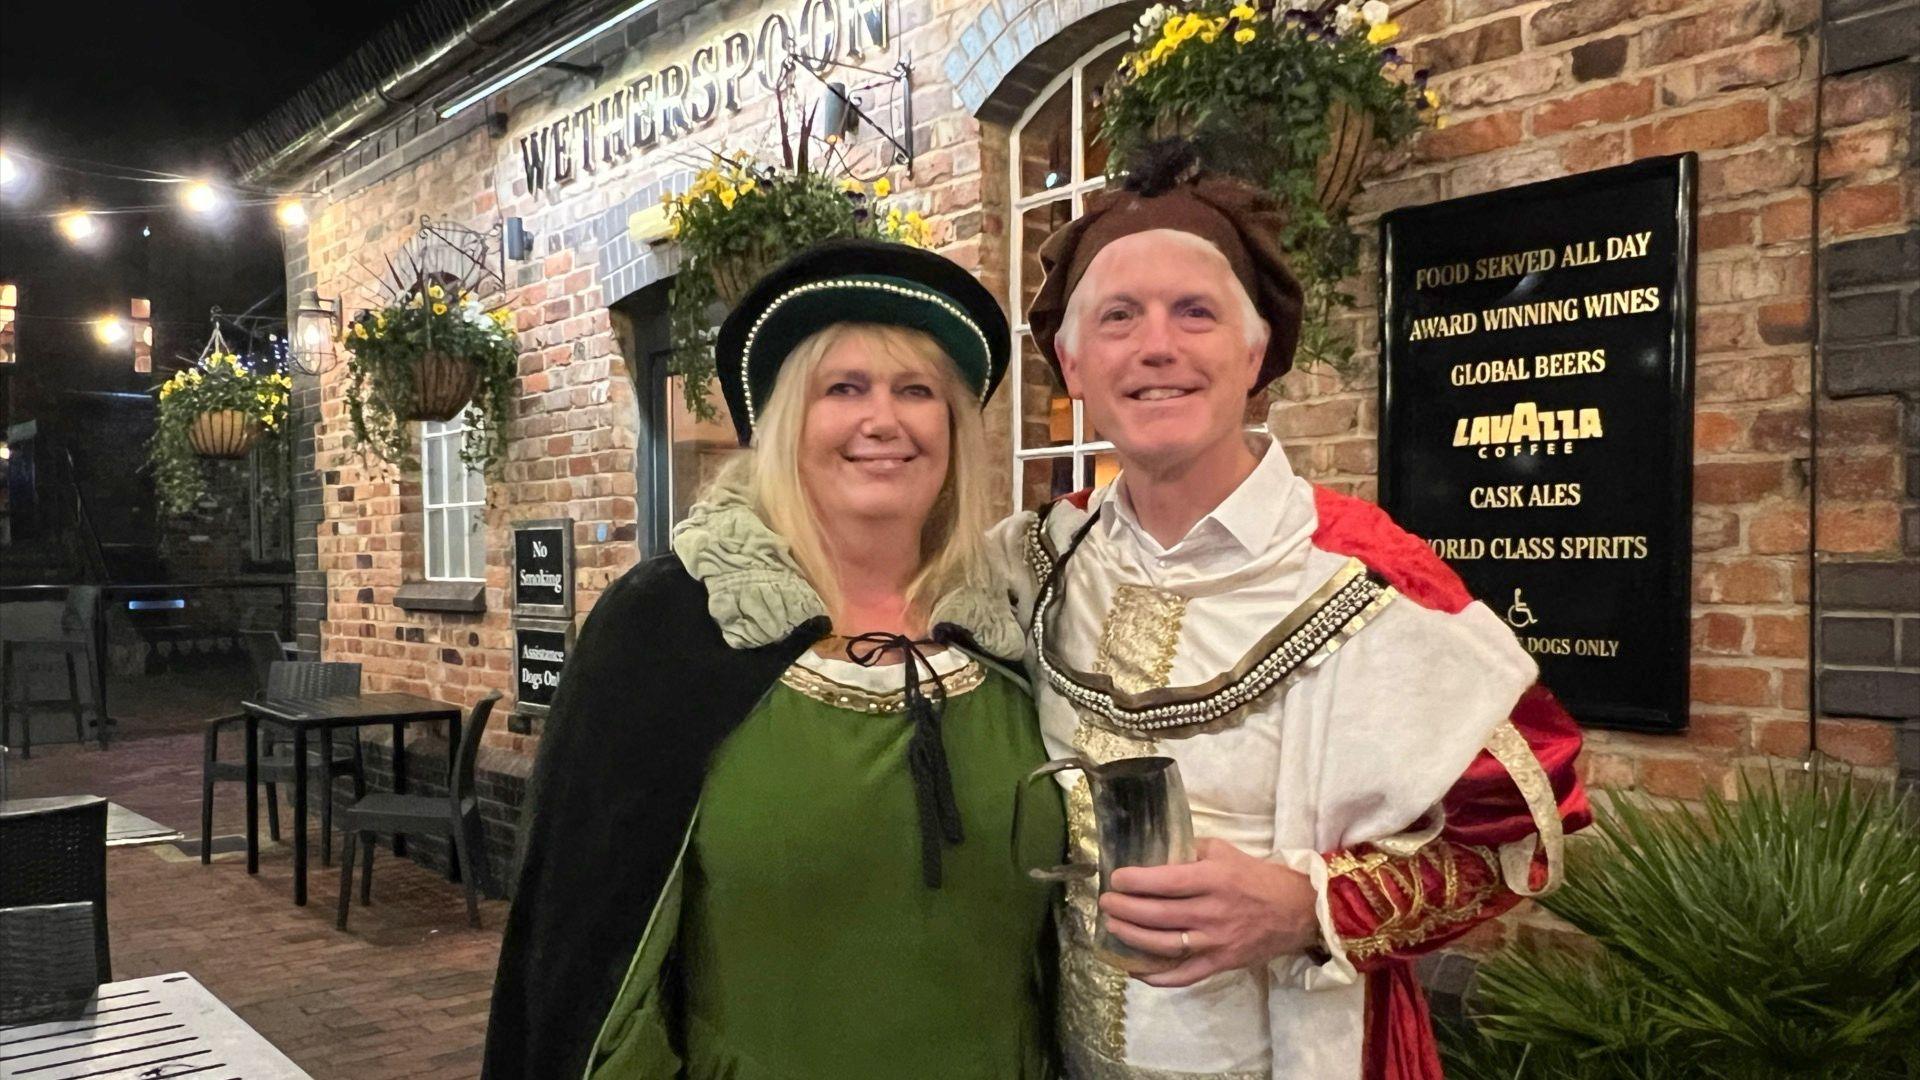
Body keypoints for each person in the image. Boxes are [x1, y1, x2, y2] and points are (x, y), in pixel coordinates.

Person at [998, 141, 1592, 1079]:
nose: (1157, 346)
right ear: (1072, 366)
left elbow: (1526, 823)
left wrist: (1304, 909)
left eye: (1195, 312)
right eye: (1119, 318)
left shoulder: (1366, 580)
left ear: (1255, 350)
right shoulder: (1030, 561)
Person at [483, 239, 1065, 1080]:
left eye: (916, 391)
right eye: (844, 389)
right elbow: (585, 954)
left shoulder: (1010, 626)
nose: (884, 420)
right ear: (785, 421)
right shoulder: (669, 626)